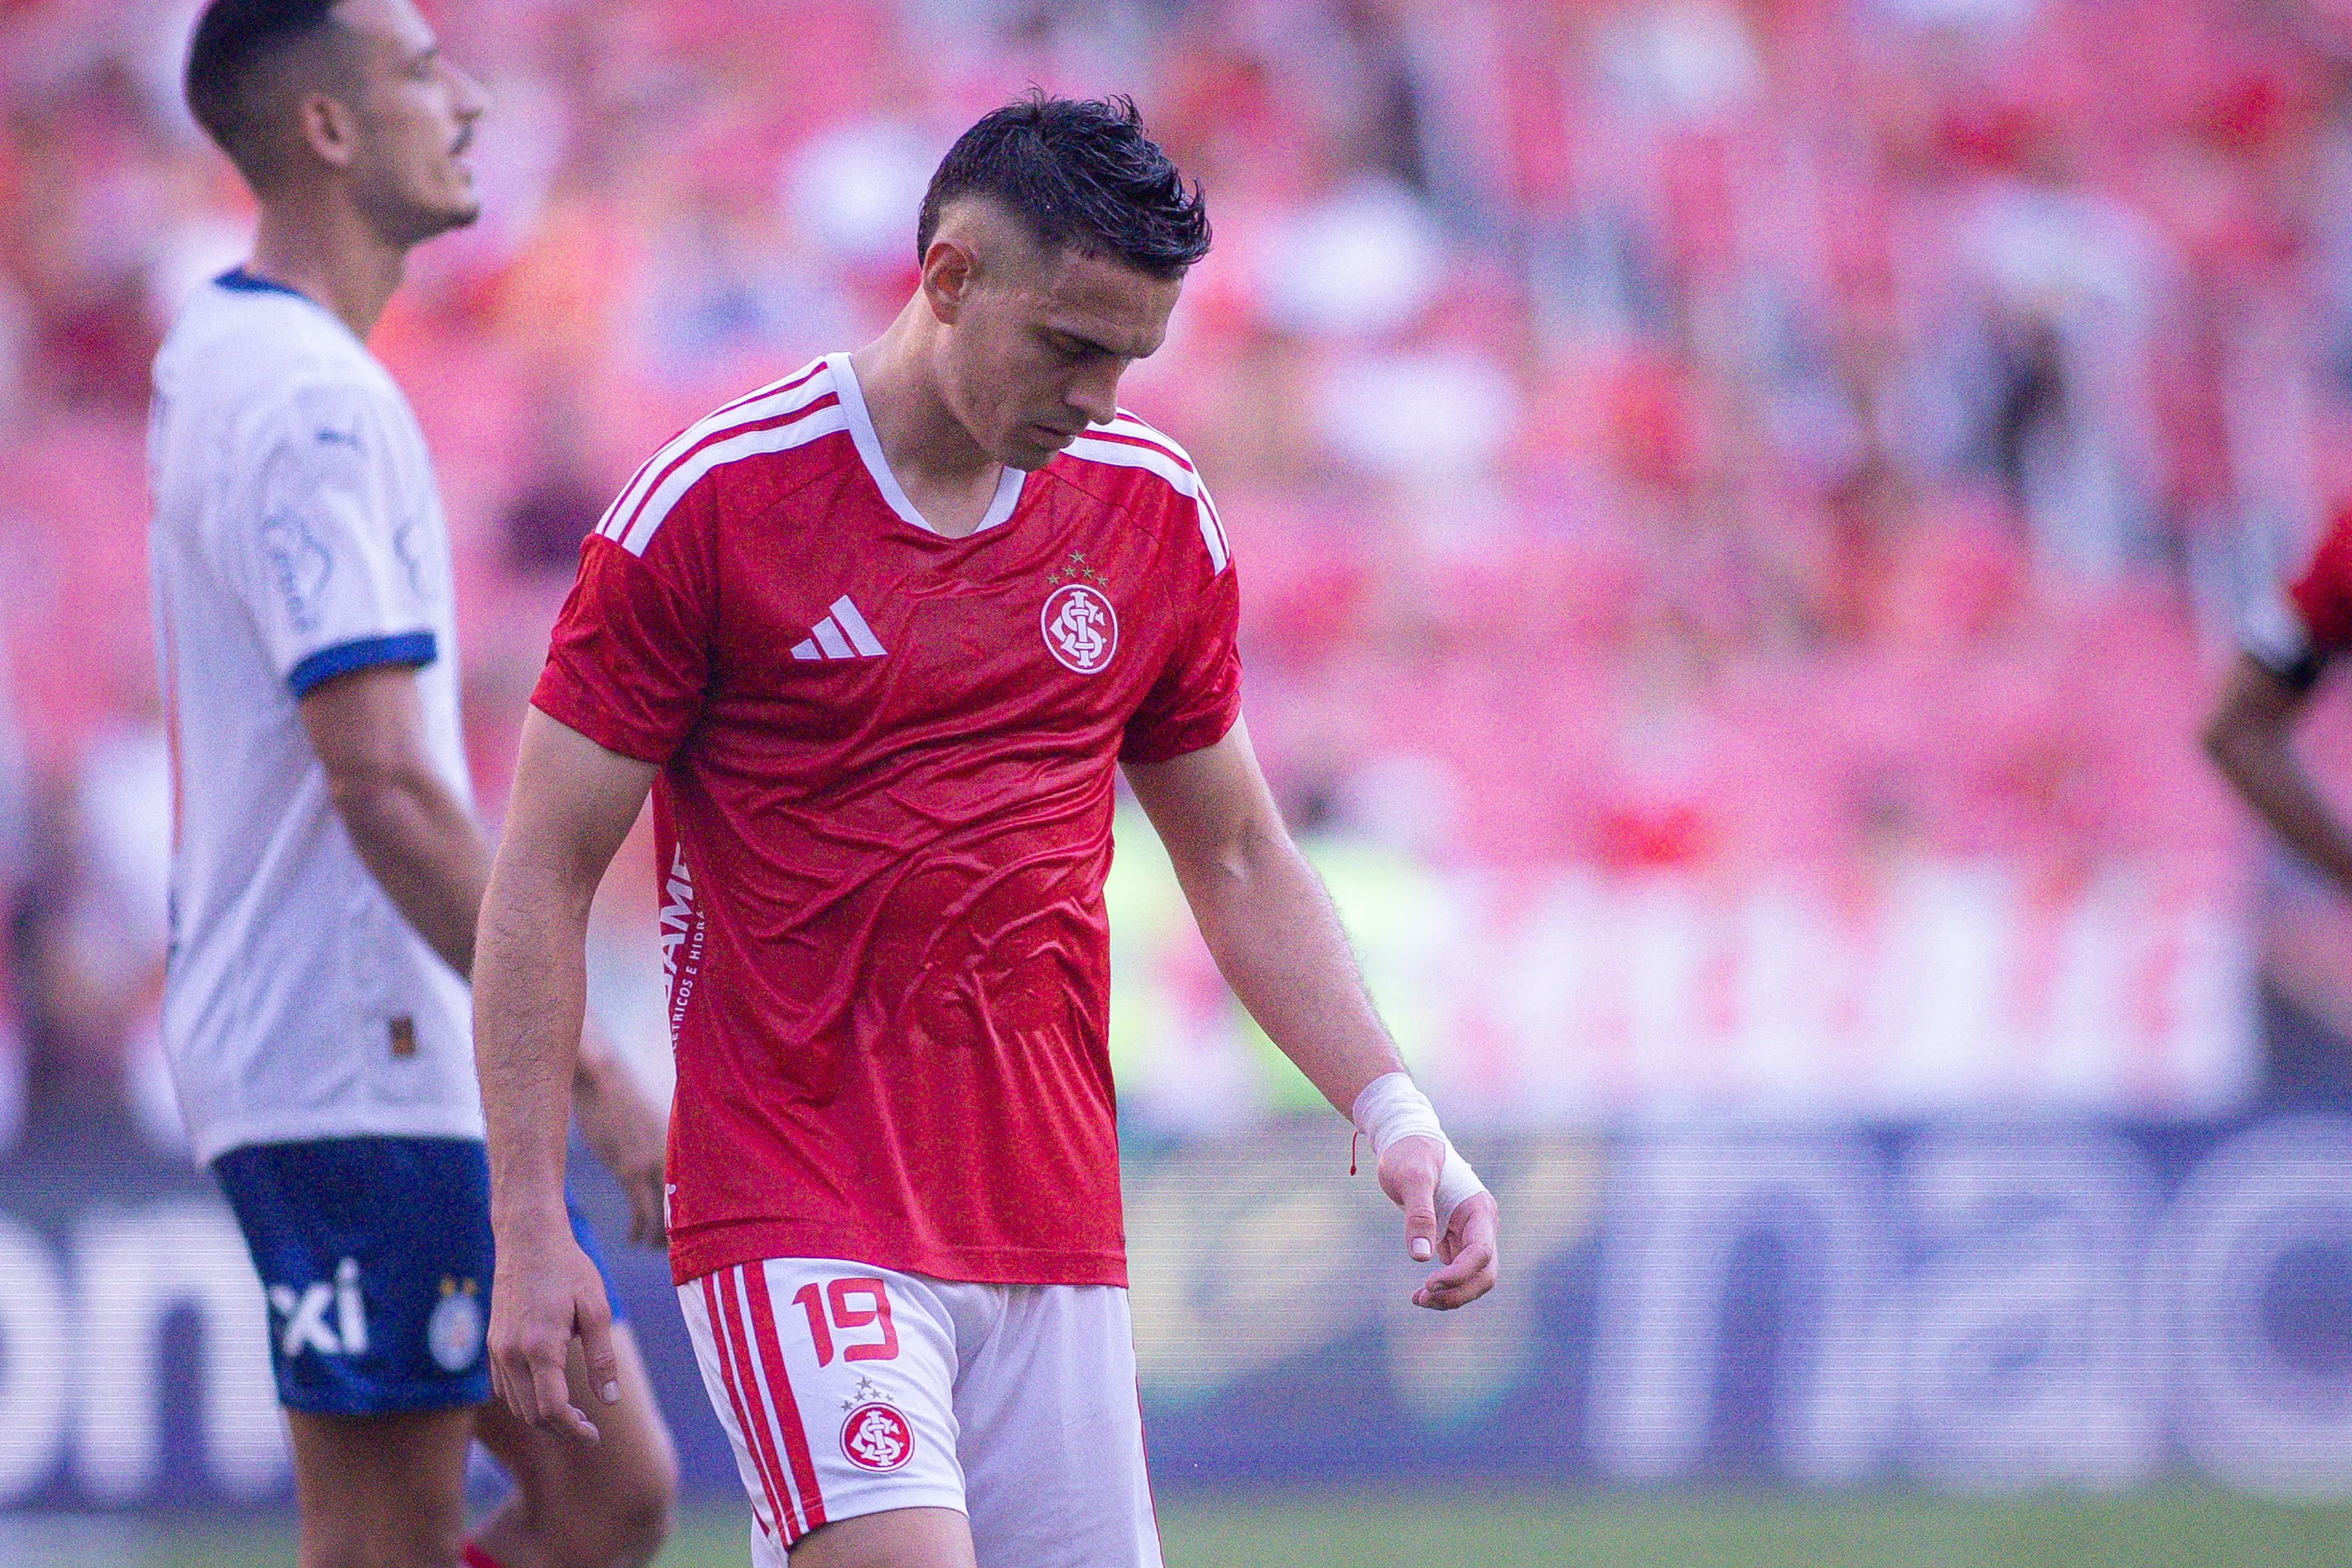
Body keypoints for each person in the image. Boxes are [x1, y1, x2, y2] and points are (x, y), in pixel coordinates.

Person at [474, 94, 1501, 1568]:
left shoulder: (1148, 511)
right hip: (797, 1198)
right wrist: (527, 1219)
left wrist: (1395, 1117)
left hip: (1054, 1221)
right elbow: (543, 873)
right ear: (948, 281)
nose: (1098, 396)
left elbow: (1235, 853)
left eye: (1133, 358)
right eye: (1073, 348)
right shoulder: (712, 509)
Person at [147, 3, 677, 1564]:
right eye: (421, 72)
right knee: (387, 1534)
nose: (470, 98)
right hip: (346, 1045)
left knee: (607, 1490)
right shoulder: (309, 400)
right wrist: (582, 1069)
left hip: (376, 1046)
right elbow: (380, 782)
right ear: (324, 128)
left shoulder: (236, 355)